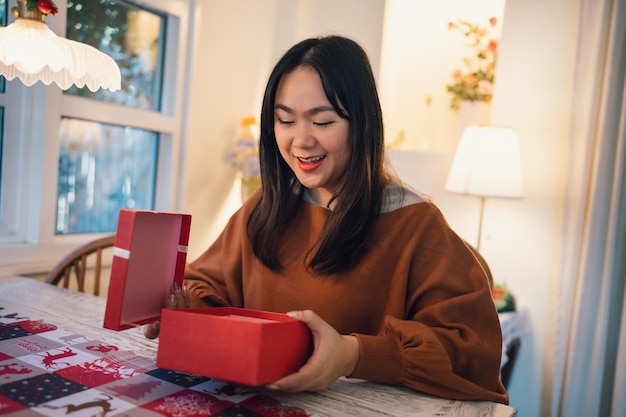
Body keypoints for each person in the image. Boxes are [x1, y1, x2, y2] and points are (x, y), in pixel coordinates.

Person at [145, 35, 509, 404]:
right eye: (285, 120)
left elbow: (473, 351)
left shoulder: (415, 224)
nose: (300, 140)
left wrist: (353, 355)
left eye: (322, 121)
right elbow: (209, 286)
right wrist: (181, 309)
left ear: (362, 124)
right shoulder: (266, 207)